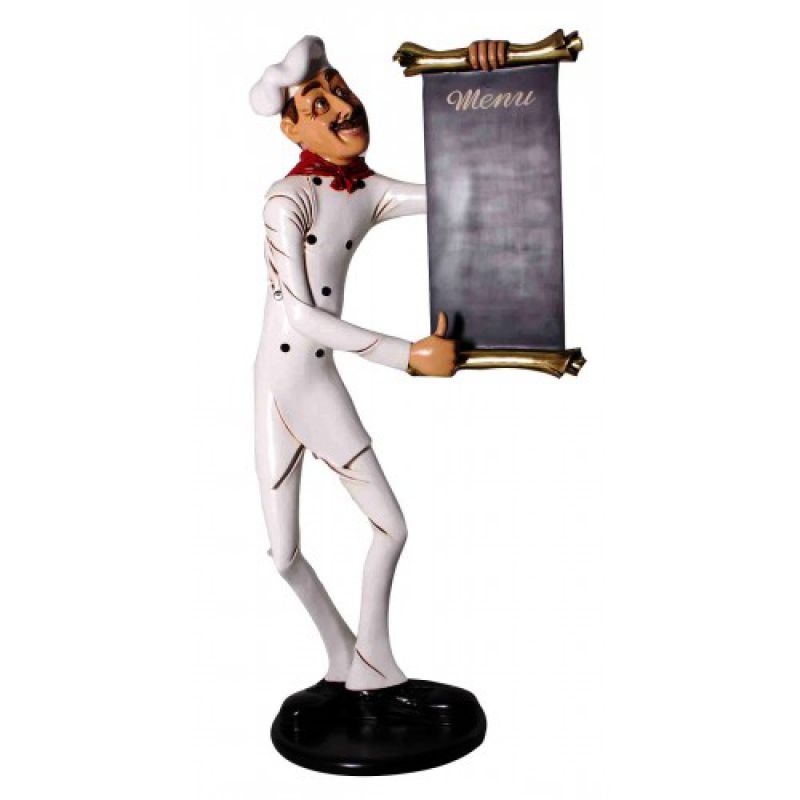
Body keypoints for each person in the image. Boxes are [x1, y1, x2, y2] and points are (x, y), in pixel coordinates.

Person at [250, 34, 508, 725]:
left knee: (390, 528)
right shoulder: (285, 201)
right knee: (283, 556)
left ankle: (374, 665)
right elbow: (300, 315)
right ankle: (345, 657)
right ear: (292, 127)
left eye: (340, 88)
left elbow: (457, 192)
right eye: (318, 102)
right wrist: (406, 356)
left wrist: (487, 85)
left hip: (318, 384)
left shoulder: (365, 189)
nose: (341, 107)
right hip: (278, 385)